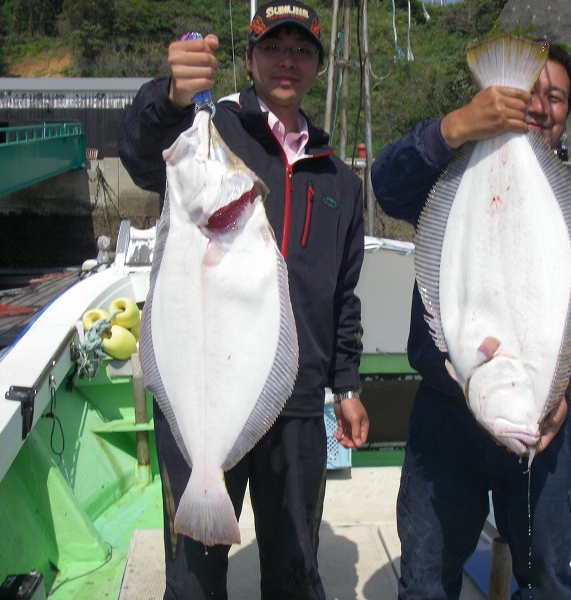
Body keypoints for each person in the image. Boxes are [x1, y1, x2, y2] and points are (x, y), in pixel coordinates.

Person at [118, 2, 370, 598]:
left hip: (300, 402)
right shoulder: (210, 130)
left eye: (302, 50)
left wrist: (347, 384)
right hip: (202, 394)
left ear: (317, 65)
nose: (287, 60)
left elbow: (344, 293)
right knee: (194, 581)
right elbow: (141, 153)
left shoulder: (339, 178)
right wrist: (172, 95)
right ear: (251, 58)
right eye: (273, 47)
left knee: (294, 572)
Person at [371, 42, 571, 600]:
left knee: (548, 580)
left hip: (540, 413)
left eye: (556, 98)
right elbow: (387, 187)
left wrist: (557, 392)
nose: (540, 106)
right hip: (445, 414)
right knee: (426, 580)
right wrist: (455, 128)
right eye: (529, 91)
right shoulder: (451, 174)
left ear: (567, 114)